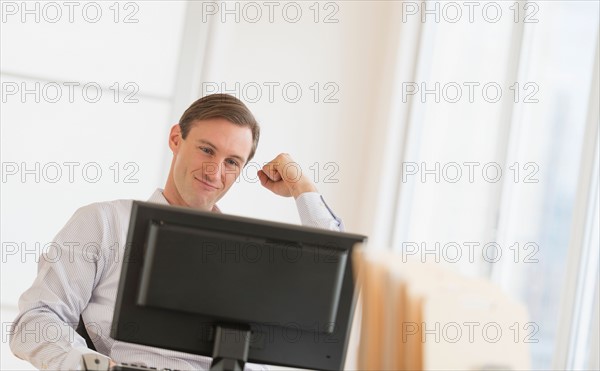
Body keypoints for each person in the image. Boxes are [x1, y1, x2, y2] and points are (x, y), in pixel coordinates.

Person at [9, 94, 343, 370]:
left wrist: (304, 188)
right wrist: (98, 367)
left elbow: (335, 279)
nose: (214, 171)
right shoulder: (105, 222)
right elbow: (34, 321)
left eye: (232, 162)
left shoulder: (250, 253)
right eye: (206, 149)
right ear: (175, 139)